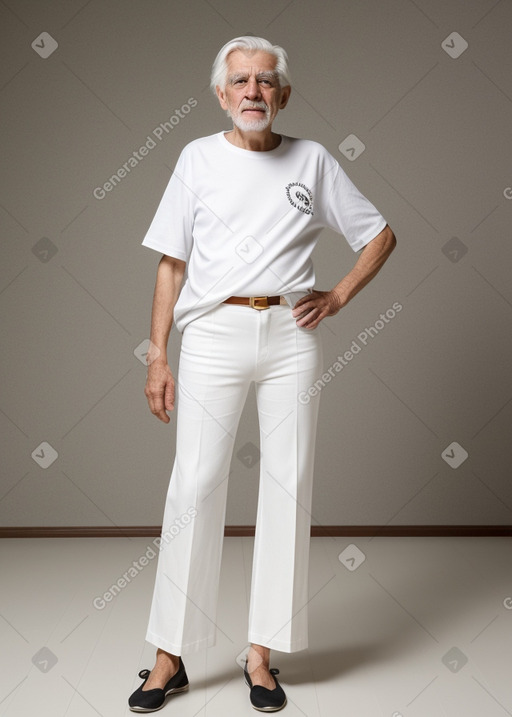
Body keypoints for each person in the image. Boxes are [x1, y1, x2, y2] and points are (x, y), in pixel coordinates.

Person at [128, 35, 396, 713]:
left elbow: (380, 235)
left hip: (290, 335)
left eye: (266, 81)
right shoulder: (196, 159)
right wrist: (158, 354)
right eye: (241, 80)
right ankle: (169, 656)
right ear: (222, 94)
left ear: (283, 94)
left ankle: (261, 655)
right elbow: (171, 264)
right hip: (214, 331)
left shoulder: (313, 159)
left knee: (289, 481)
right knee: (194, 481)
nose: (253, 90)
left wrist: (336, 296)